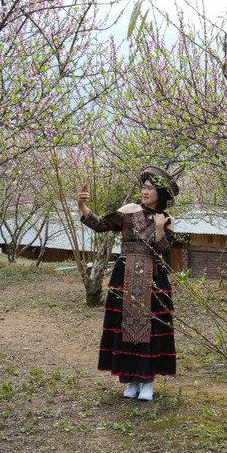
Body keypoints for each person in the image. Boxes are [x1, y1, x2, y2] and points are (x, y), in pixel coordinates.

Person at [78, 167, 178, 401]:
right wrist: (82, 206)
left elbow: (163, 251)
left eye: (150, 188)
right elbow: (100, 224)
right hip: (125, 275)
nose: (145, 191)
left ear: (160, 192)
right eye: (143, 187)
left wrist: (161, 228)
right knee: (126, 328)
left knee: (150, 329)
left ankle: (148, 383)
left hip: (152, 278)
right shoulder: (129, 211)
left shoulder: (168, 220)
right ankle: (132, 380)